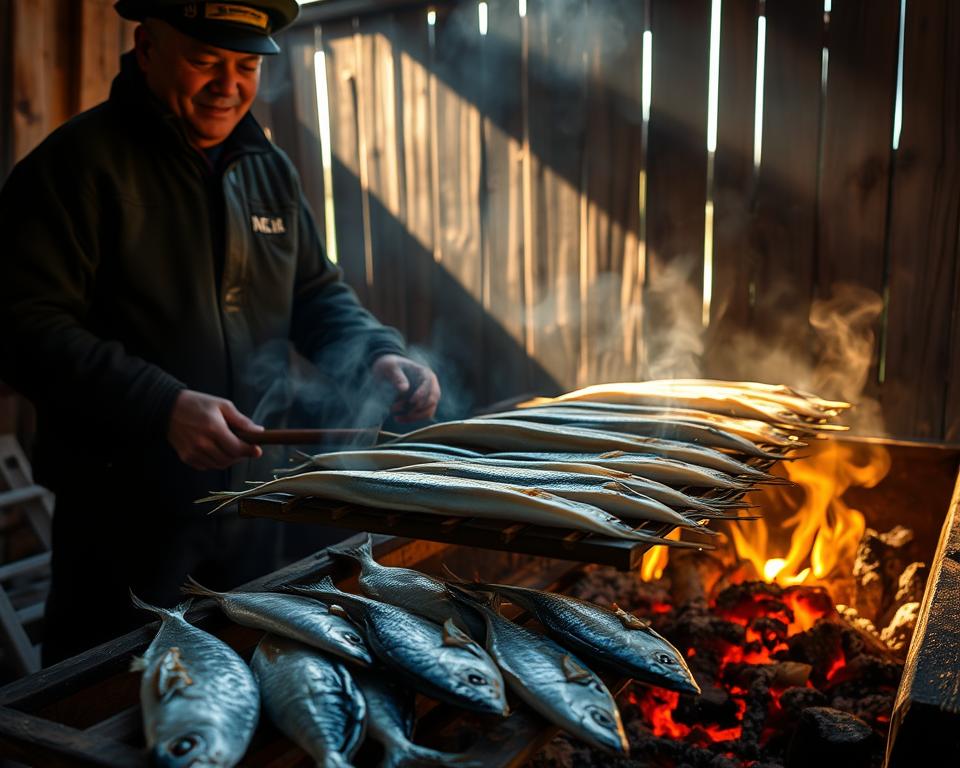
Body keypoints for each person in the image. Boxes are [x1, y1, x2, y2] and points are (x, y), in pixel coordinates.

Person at [0, 0, 440, 665]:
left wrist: (376, 354)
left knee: (264, 686)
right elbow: (19, 325)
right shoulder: (77, 167)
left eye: (245, 65)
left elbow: (316, 294)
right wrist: (160, 404)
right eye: (205, 61)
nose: (228, 85)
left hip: (260, 504)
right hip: (124, 521)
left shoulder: (269, 171)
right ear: (147, 47)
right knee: (116, 702)